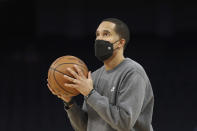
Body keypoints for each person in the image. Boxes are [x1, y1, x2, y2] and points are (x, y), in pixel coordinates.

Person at [47, 18, 154, 131]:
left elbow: (124, 123)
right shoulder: (94, 76)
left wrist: (90, 93)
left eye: (106, 34)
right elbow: (85, 127)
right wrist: (69, 102)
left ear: (120, 43)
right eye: (97, 35)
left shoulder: (133, 72)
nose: (99, 39)